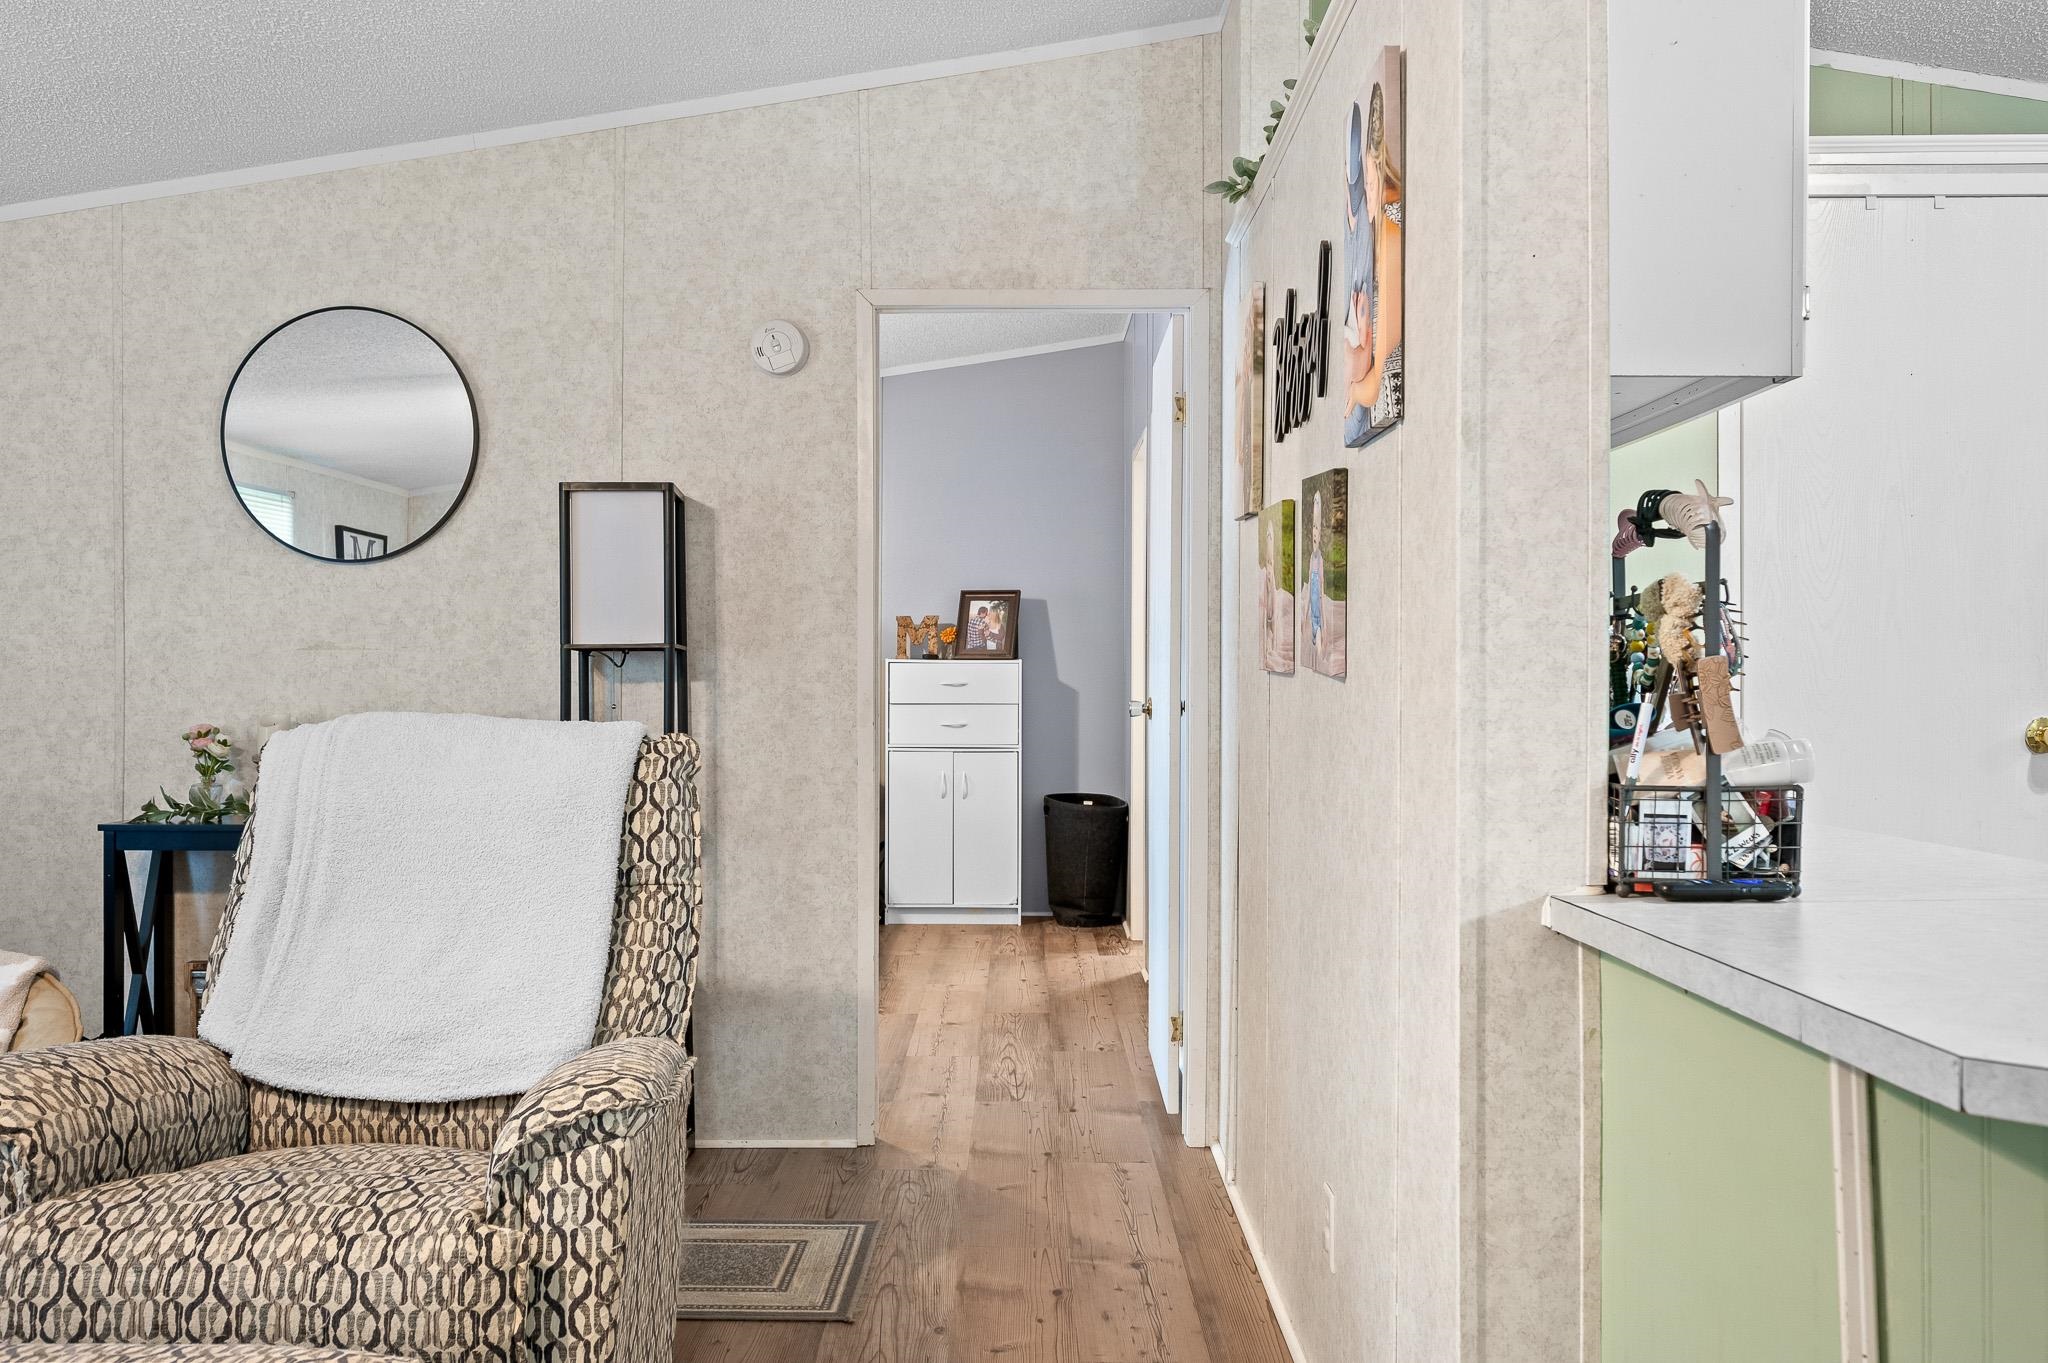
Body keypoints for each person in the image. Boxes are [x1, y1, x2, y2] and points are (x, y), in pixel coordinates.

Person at [1306, 492, 1325, 658]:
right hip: (1312, 615)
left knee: (1319, 650)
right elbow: (1307, 595)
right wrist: (1305, 613)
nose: (1314, 532)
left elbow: (1322, 588)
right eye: (1313, 527)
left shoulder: (1319, 560)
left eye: (1317, 528)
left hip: (1318, 617)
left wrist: (1323, 618)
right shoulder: (1312, 559)